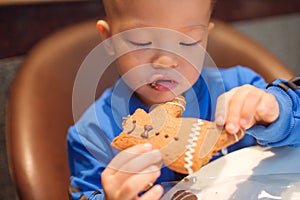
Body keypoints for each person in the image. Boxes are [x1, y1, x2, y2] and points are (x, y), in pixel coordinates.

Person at [67, 0, 300, 199]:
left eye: (188, 42)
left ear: (206, 36)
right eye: (140, 41)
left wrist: (276, 111)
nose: (167, 61)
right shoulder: (92, 134)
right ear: (108, 39)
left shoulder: (239, 85)